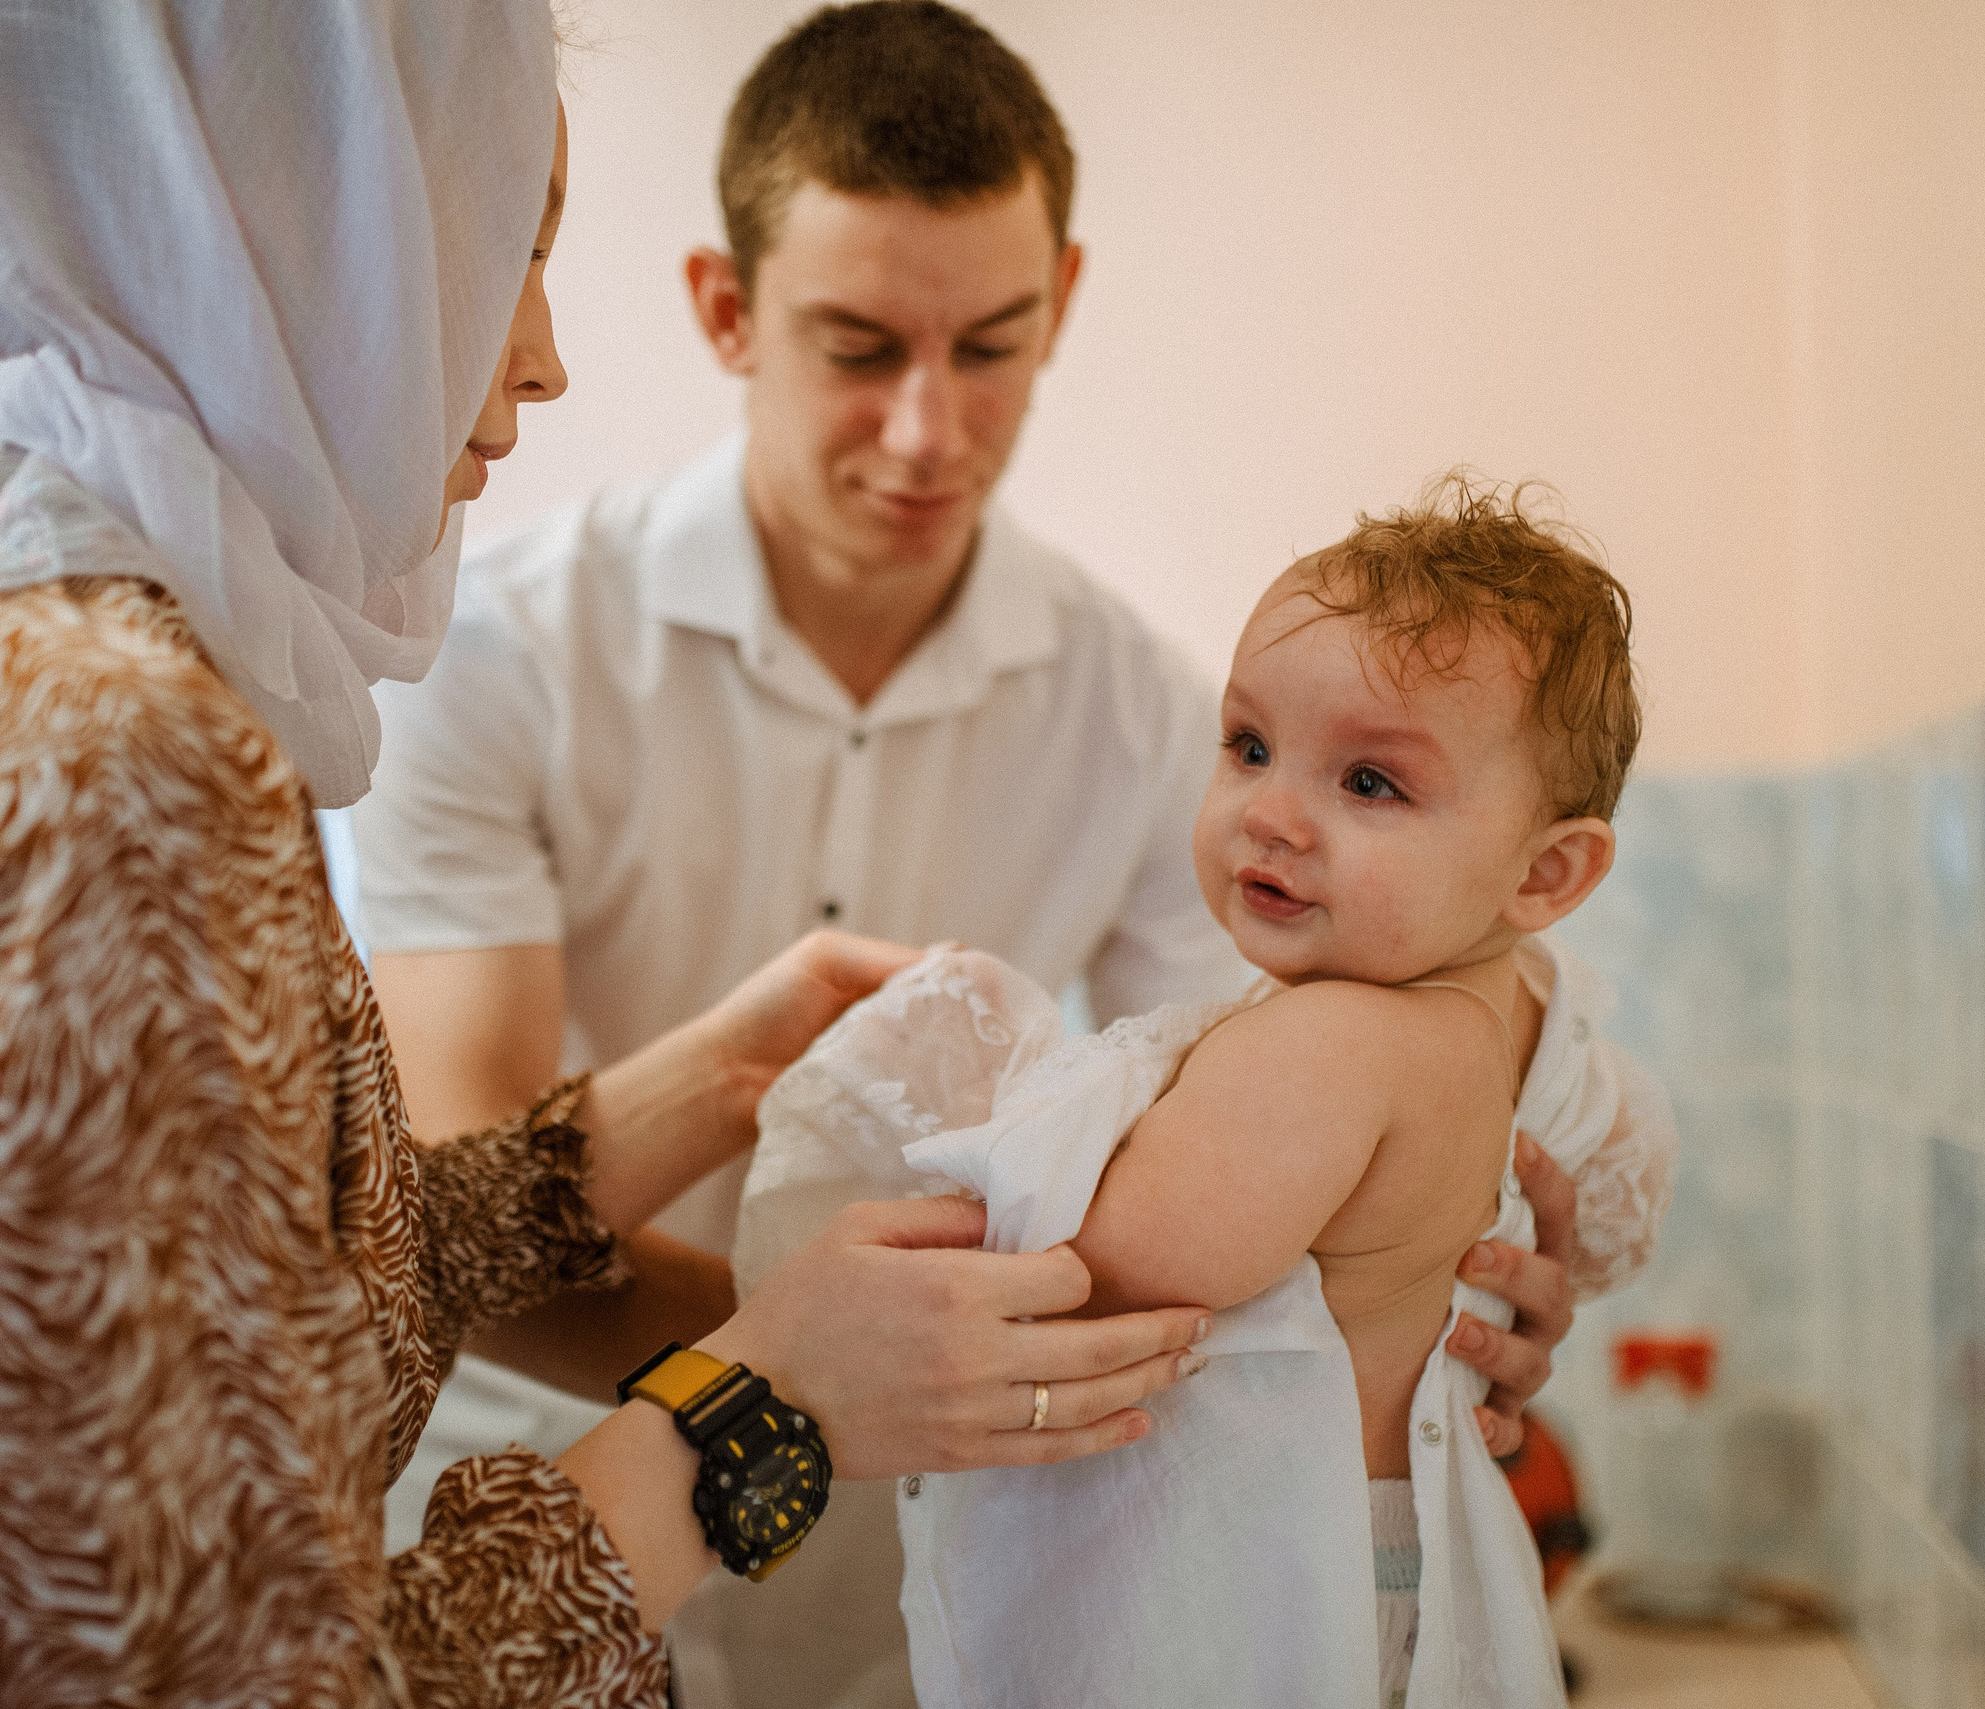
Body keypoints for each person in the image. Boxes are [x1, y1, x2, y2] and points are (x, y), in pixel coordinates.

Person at [0, 6, 1215, 1707]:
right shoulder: (107, 766)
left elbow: (226, 1272)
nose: (545, 353)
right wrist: (759, 1403)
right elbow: (202, 1682)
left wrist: (680, 1097)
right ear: (277, 233)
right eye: (506, 247)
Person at [351, 7, 1655, 1704]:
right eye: (859, 345)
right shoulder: (496, 660)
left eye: (989, 347)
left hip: (940, 1581)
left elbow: (1278, 1163)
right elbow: (448, 1208)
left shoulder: (1160, 717)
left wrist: (1416, 1311)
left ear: (1065, 305)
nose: (925, 432)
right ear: (727, 311)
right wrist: (807, 1360)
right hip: (542, 1542)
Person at [738, 480, 1678, 1708]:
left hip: (1268, 1604)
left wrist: (989, 1106)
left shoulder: (1345, 1038)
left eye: (1370, 784)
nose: (1271, 812)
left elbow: (1106, 1263)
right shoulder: (1499, 1022)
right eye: (1248, 746)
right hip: (1344, 1572)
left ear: (1547, 871)